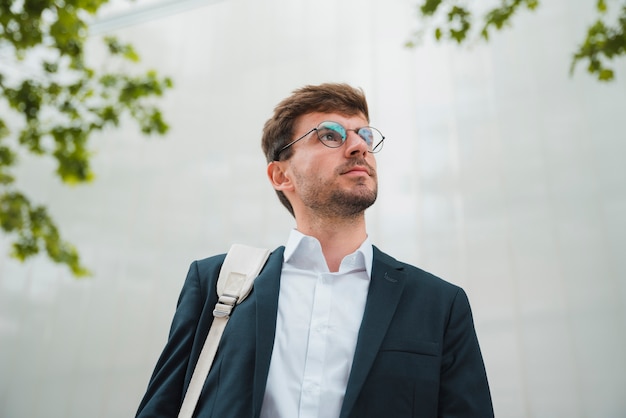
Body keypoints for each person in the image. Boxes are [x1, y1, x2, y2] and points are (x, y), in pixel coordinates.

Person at [136, 83, 494, 418]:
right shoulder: (216, 282)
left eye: (364, 135)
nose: (358, 147)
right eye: (330, 135)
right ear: (281, 176)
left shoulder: (439, 304)